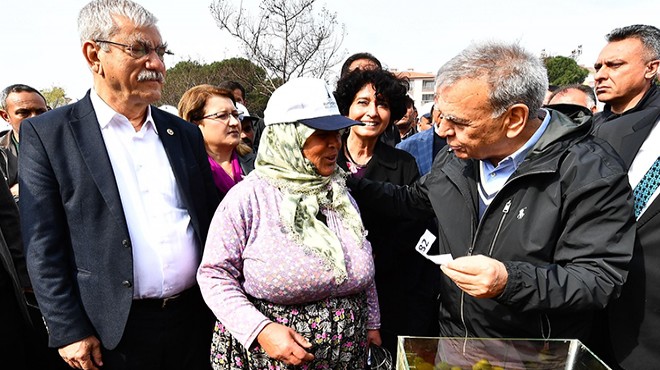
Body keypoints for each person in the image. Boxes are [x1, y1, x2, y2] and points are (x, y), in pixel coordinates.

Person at [348, 41, 636, 344]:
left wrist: (510, 282)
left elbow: (598, 278)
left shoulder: (588, 171)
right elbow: (412, 200)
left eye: (459, 122)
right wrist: (342, 180)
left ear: (514, 119)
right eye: (441, 117)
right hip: (455, 344)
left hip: (531, 355)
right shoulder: (457, 157)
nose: (444, 131)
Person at [19, 1, 220, 369]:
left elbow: (211, 221)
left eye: (161, 51)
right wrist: (68, 329)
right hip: (110, 335)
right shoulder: (50, 135)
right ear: (94, 54)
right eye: (140, 49)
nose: (157, 64)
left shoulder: (184, 135)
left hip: (195, 323)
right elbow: (42, 246)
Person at [197, 77, 381, 369]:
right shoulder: (248, 198)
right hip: (270, 359)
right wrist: (261, 330)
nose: (335, 143)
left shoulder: (339, 194)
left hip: (347, 356)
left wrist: (371, 322)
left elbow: (362, 260)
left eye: (337, 132)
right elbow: (214, 275)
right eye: (321, 134)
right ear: (288, 138)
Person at [334, 67, 440, 357]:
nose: (372, 112)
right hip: (333, 287)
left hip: (389, 285)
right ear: (346, 108)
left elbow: (413, 222)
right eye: (363, 102)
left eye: (381, 104)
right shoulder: (327, 157)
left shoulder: (403, 162)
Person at [591, 24, 660, 369]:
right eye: (598, 67)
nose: (601, 74)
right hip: (591, 310)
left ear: (652, 68)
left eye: (614, 65)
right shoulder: (586, 132)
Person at [178, 85, 255, 199]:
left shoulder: (257, 163)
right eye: (222, 116)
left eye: (235, 115)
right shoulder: (183, 173)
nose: (234, 122)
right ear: (194, 123)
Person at [0, 84, 49, 200]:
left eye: (40, 111)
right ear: (5, 116)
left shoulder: (68, 145)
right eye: (23, 113)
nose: (34, 118)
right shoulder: (2, 154)